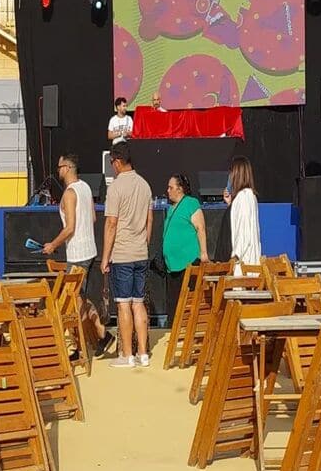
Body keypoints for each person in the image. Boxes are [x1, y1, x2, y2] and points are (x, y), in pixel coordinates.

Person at [42, 153, 113, 357]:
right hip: (89, 250)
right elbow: (91, 218)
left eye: (59, 167)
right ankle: (100, 334)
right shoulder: (86, 188)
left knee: (75, 302)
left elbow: (70, 227)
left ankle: (82, 346)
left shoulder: (70, 193)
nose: (58, 171)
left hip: (78, 253)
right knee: (80, 297)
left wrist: (52, 244)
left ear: (66, 167)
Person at [101, 141, 153, 368]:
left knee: (123, 304)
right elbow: (150, 220)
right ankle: (143, 354)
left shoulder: (115, 188)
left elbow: (111, 224)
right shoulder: (145, 185)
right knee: (138, 303)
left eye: (112, 162)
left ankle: (127, 355)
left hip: (122, 253)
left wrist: (105, 257)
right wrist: (144, 244)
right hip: (141, 251)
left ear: (118, 161)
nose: (112, 166)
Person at [162, 174, 208, 317]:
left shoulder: (190, 203)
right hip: (172, 266)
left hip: (188, 263)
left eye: (171, 187)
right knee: (174, 307)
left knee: (188, 305)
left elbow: (200, 227)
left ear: (180, 189)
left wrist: (204, 253)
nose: (167, 190)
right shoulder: (171, 209)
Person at [223, 155, 261, 270]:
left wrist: (235, 256)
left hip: (243, 263)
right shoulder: (250, 196)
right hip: (249, 262)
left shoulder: (243, 197)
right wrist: (230, 204)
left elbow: (243, 230)